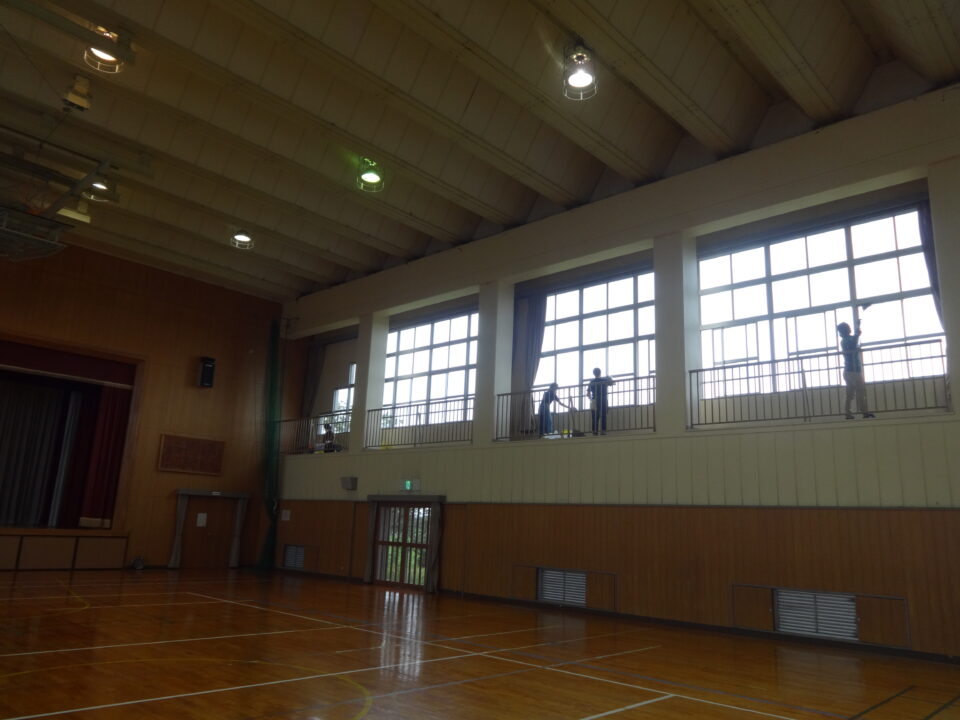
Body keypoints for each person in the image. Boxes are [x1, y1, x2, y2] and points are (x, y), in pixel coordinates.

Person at [837, 321, 875, 420]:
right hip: (854, 370)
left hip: (848, 370)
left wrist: (857, 331)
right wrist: (857, 331)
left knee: (850, 393)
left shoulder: (844, 340)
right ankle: (864, 412)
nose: (850, 329)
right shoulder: (847, 340)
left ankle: (848, 413)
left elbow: (854, 341)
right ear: (846, 330)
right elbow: (854, 341)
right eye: (848, 327)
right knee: (860, 391)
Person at [586, 368, 615, 435]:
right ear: (600, 373)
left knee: (595, 416)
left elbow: (588, 393)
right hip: (603, 399)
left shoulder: (591, 382)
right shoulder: (604, 380)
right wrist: (609, 377)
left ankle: (594, 431)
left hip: (594, 400)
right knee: (603, 415)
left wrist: (590, 398)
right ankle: (603, 431)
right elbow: (612, 383)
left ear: (594, 373)